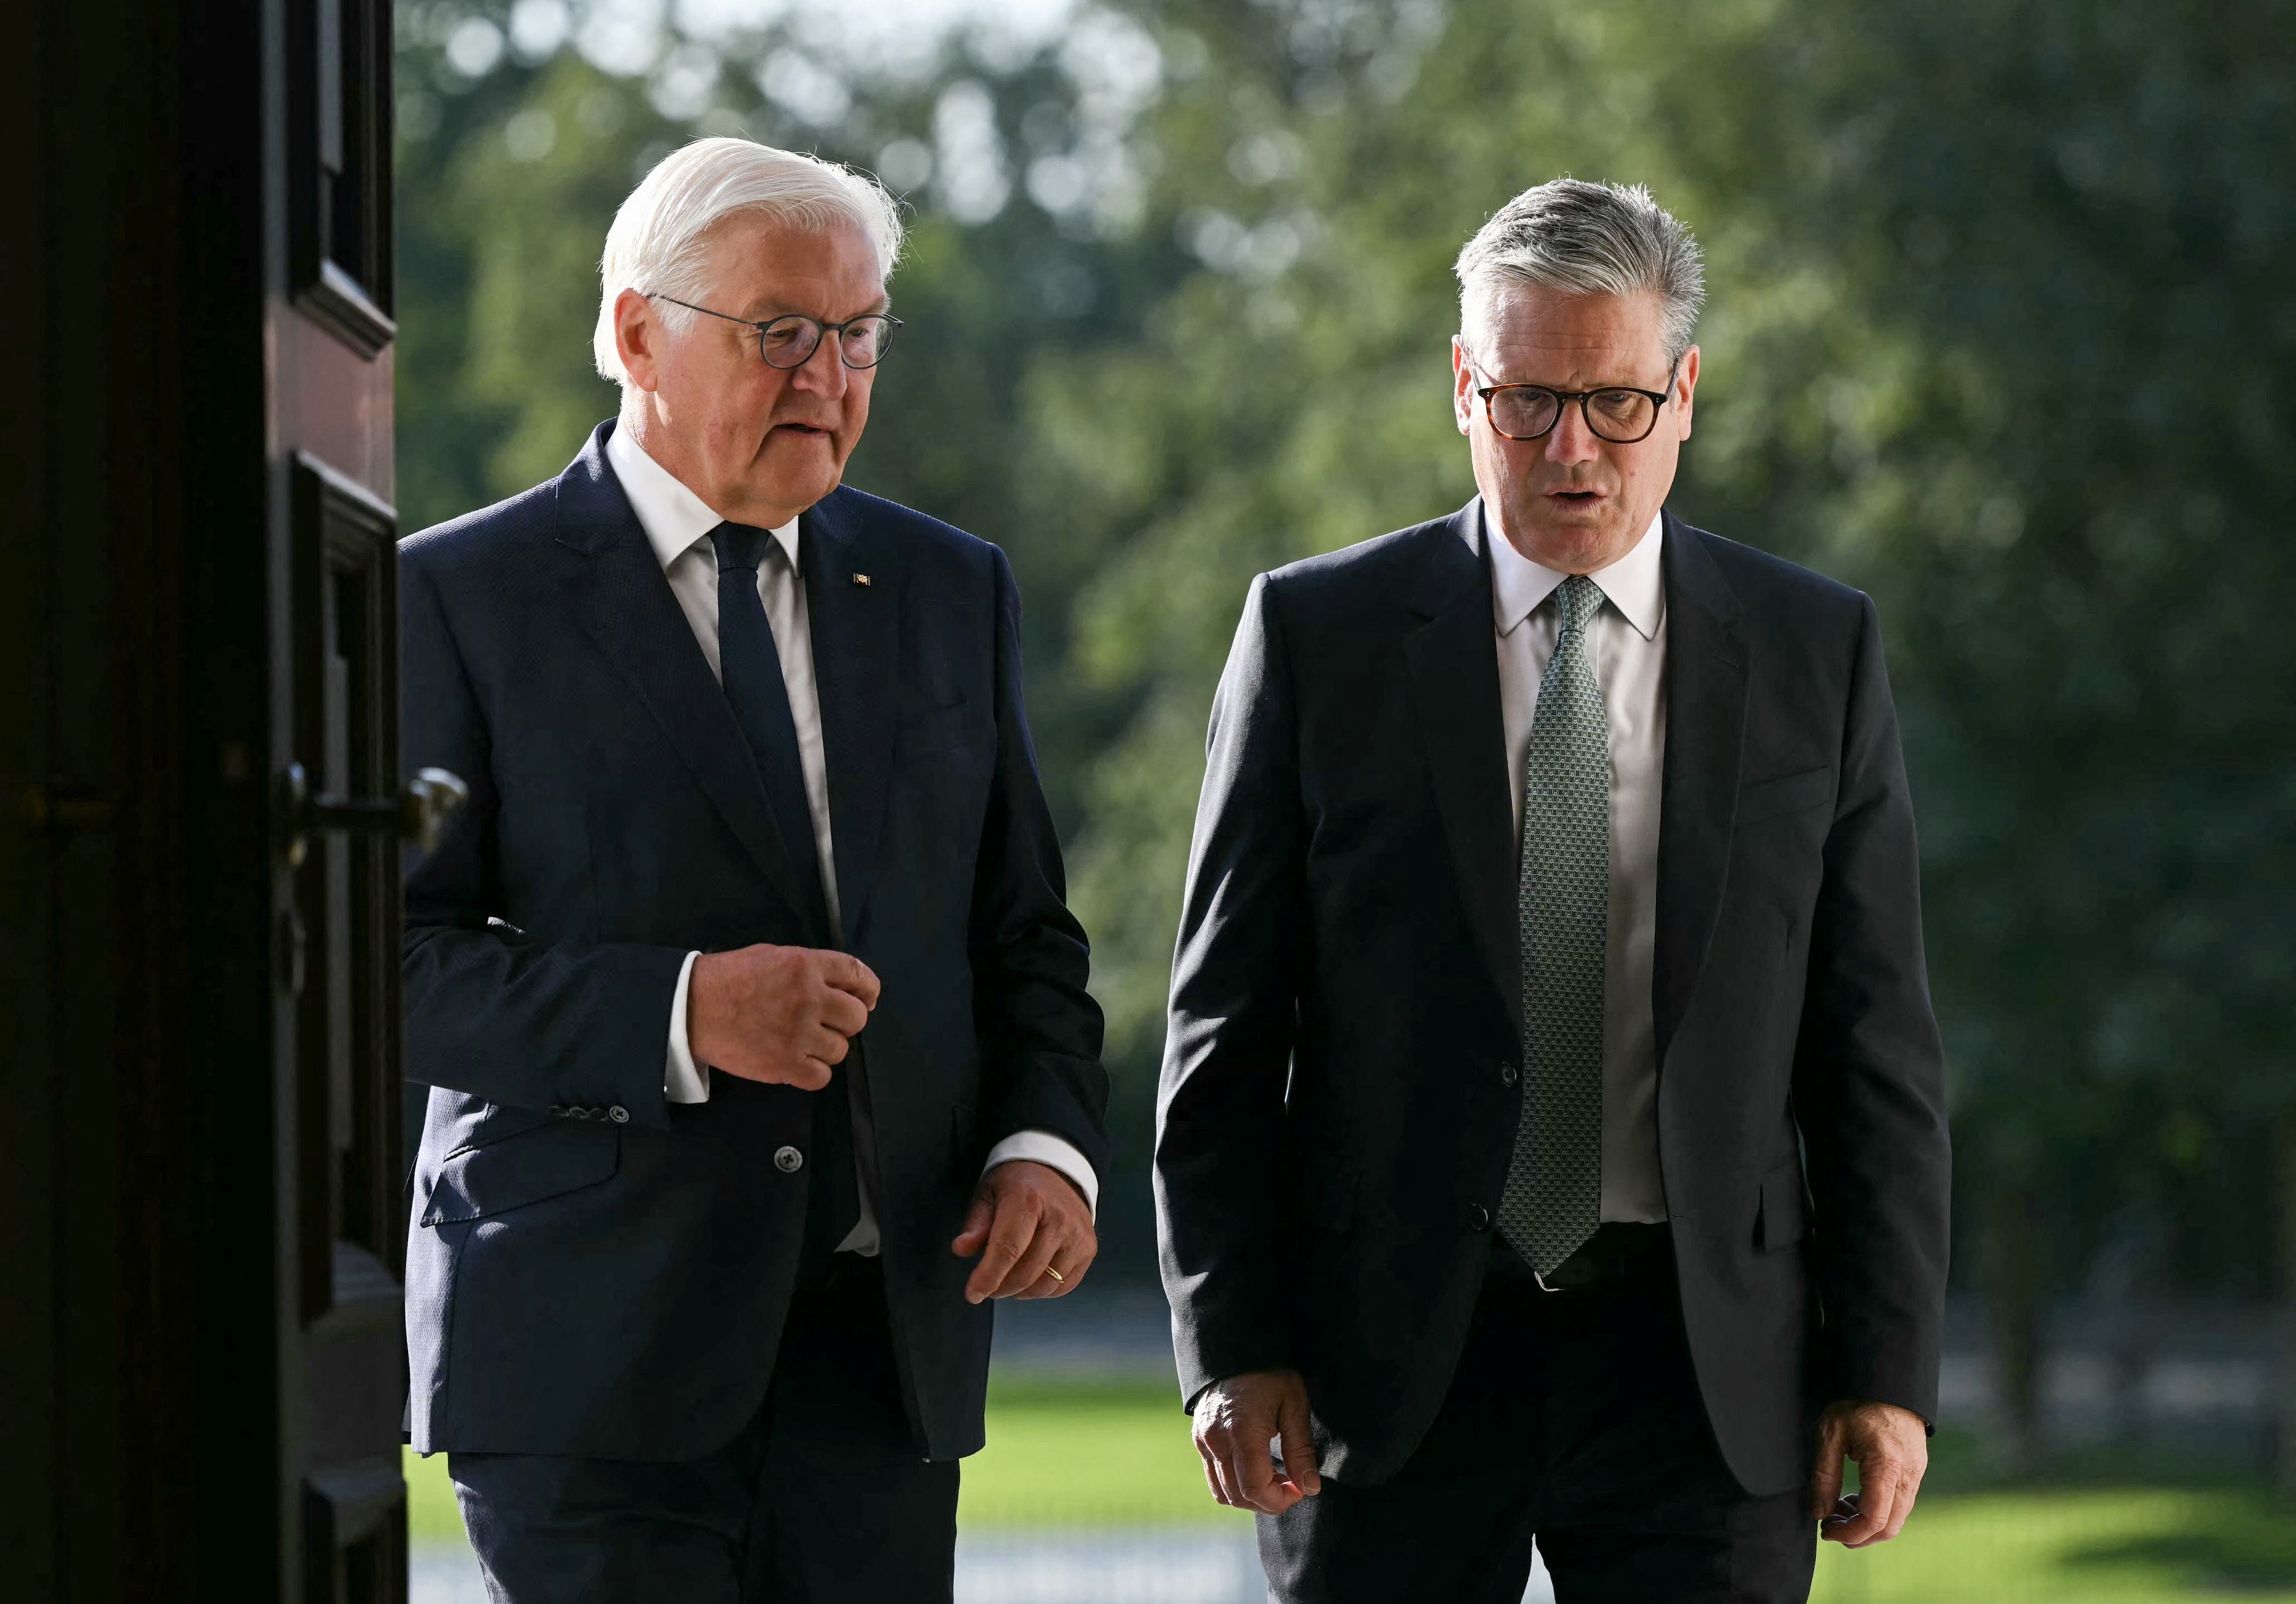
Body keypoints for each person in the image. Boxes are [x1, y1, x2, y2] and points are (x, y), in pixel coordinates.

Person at [1155, 178, 1950, 1602]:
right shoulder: (1316, 635)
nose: (1572, 449)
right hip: (1388, 1362)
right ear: (1464, 385)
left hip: (1703, 1373)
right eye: (1526, 400)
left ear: (1684, 392)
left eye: (1617, 404)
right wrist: (1231, 1342)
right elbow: (1223, 1027)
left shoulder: (1813, 650)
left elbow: (1873, 1044)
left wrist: (1884, 1370)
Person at [399, 137, 1108, 1603]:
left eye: (856, 335)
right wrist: (677, 1015)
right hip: (586, 1367)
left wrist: (1042, 1145)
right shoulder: (454, 597)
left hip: (883, 1359)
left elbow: (1023, 931)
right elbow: (378, 960)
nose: (827, 376)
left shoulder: (947, 587)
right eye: (780, 331)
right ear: (635, 332)